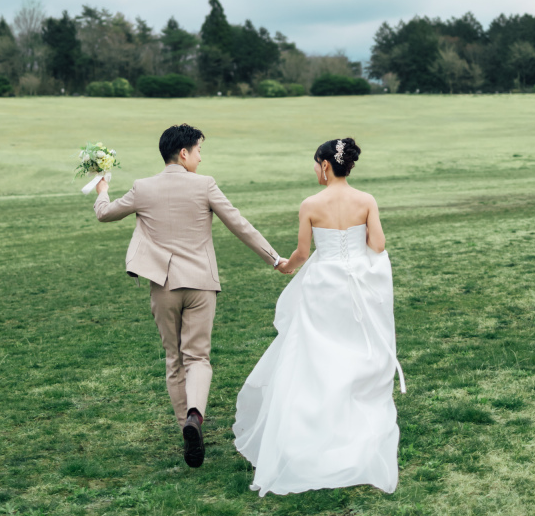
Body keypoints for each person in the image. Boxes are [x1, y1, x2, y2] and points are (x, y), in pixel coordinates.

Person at [94, 123, 283, 468]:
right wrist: (274, 259)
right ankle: (196, 415)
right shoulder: (205, 184)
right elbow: (239, 224)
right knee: (198, 357)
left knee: (174, 358)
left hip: (163, 285)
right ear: (184, 153)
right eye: (198, 151)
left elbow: (104, 214)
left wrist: (102, 189)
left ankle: (186, 427)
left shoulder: (142, 187)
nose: (200, 157)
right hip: (201, 283)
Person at [233, 136, 405, 497]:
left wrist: (286, 267)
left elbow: (301, 252)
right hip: (357, 288)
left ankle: (313, 429)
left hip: (323, 287)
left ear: (325, 165)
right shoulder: (366, 200)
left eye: (315, 164)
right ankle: (354, 427)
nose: (314, 169)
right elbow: (377, 245)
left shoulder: (310, 204)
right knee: (355, 353)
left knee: (319, 357)